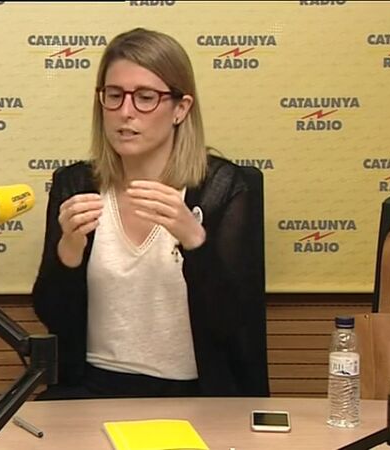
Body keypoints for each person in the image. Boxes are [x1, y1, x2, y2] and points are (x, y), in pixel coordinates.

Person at [32, 28, 269, 399]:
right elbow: (53, 316)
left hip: (193, 393)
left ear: (180, 108)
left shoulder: (224, 188)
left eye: (145, 98)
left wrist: (195, 241)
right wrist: (69, 254)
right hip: (91, 388)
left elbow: (232, 324)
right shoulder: (76, 184)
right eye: (114, 96)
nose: (125, 113)